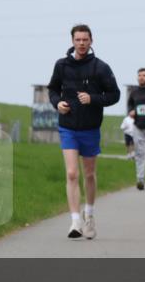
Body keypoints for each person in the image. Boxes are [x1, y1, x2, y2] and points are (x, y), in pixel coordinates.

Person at [47, 24, 121, 239]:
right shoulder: (61, 66)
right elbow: (52, 89)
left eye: (85, 40)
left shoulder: (100, 67)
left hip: (90, 128)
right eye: (77, 40)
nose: (81, 43)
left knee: (88, 173)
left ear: (91, 41)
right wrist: (57, 103)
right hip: (67, 126)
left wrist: (93, 99)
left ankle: (89, 214)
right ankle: (75, 221)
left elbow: (114, 95)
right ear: (72, 41)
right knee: (71, 173)